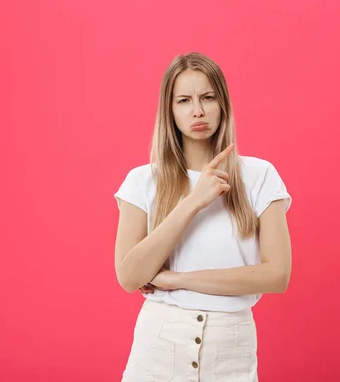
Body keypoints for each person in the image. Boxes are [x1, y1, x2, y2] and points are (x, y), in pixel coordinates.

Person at [113, 52, 292, 382]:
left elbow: (277, 275)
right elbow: (129, 275)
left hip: (231, 347)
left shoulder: (260, 175)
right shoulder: (141, 181)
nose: (197, 110)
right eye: (184, 100)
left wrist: (179, 279)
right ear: (170, 111)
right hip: (159, 346)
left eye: (207, 97)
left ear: (222, 103)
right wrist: (193, 201)